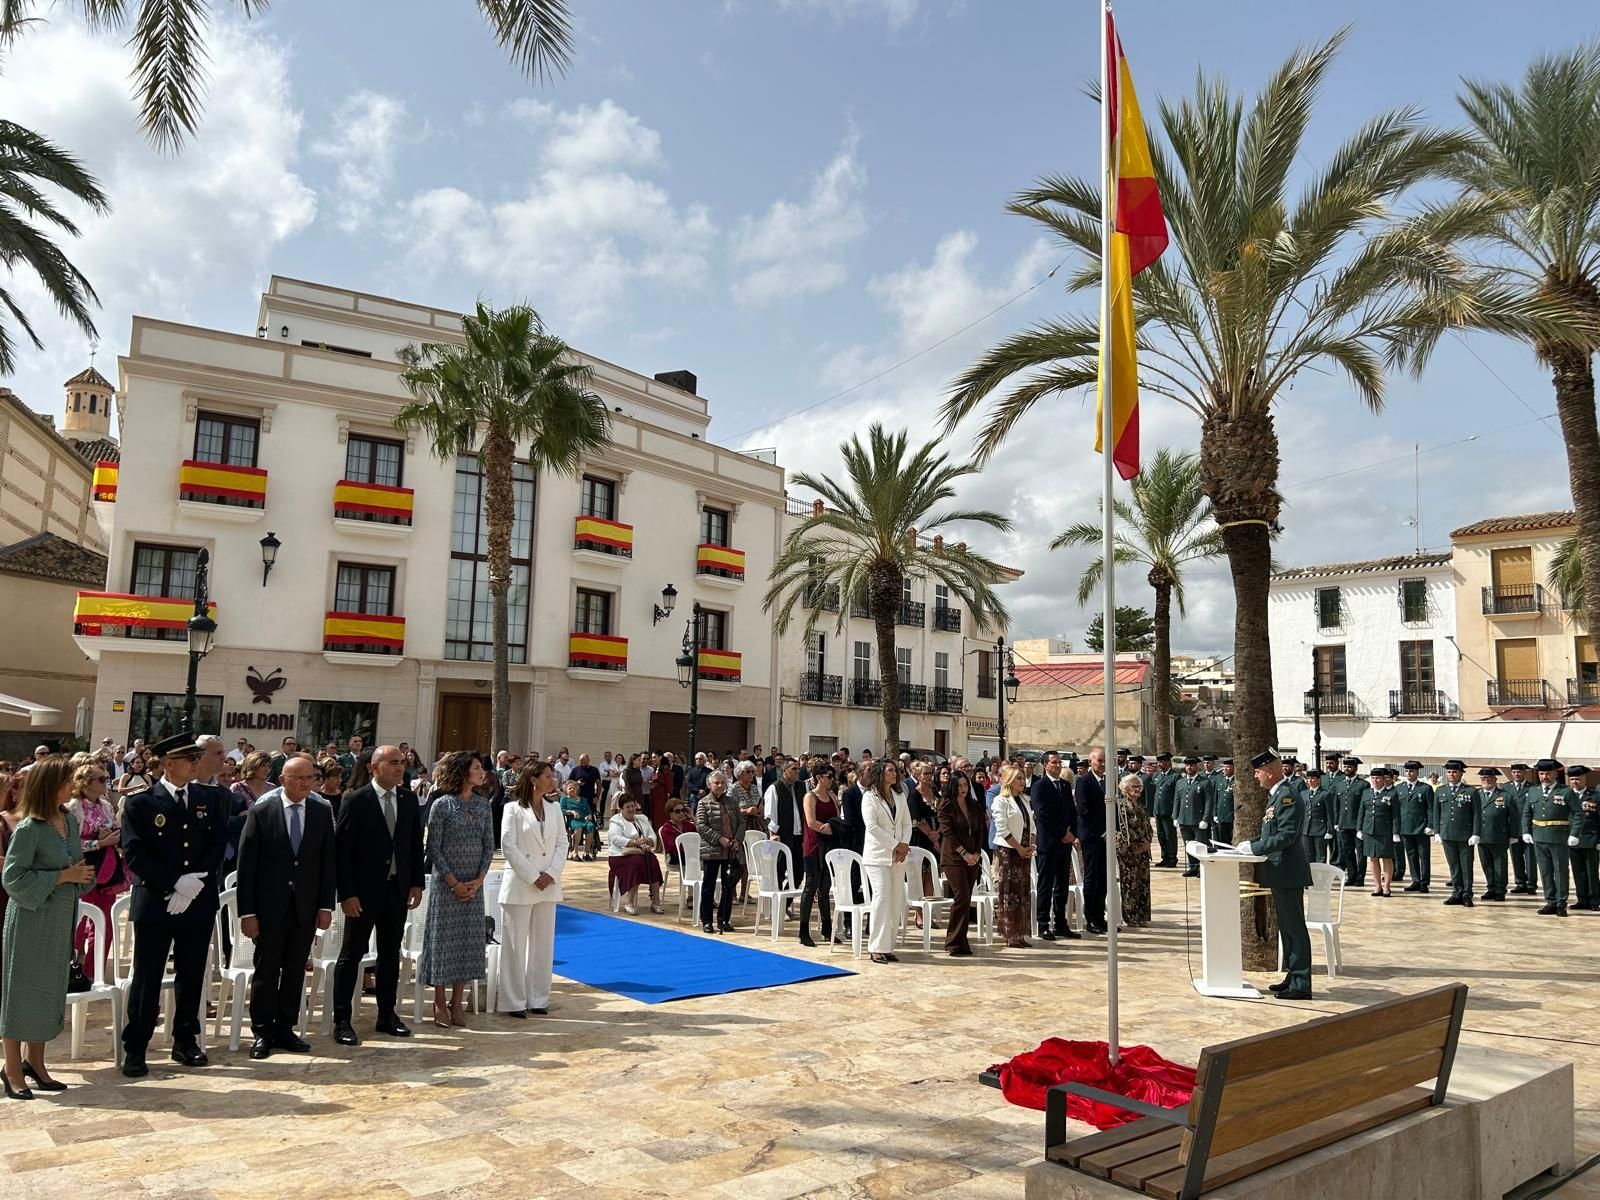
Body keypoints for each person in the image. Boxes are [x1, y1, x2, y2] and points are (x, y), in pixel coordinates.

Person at [118, 733, 229, 1078]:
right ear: (169, 763)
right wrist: (173, 883)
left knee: (192, 972)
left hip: (197, 899)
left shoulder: (210, 798)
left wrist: (193, 884)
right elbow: (134, 852)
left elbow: (216, 843)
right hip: (155, 900)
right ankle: (136, 1047)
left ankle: (185, 1039)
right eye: (190, 759)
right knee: (147, 975)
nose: (196, 764)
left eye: (197, 758)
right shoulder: (140, 803)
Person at [1, 757, 93, 1098]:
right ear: (51, 786)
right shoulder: (29, 828)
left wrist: (81, 875)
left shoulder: (68, 821)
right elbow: (12, 878)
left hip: (59, 919)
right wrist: (62, 876)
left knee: (46, 992)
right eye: (67, 781)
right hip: (30, 920)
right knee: (19, 993)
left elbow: (75, 864)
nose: (73, 787)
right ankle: (12, 1068)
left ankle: (36, 1063)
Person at [235, 755, 337, 1059]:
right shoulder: (262, 812)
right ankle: (262, 1031)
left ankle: (286, 1027)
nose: (306, 784)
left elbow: (327, 863)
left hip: (305, 907)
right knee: (267, 970)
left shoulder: (320, 811)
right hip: (269, 908)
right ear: (282, 780)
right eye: (299, 778)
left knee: (295, 969)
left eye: (311, 778)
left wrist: (325, 905)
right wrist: (248, 913)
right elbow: (247, 866)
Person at [332, 745, 424, 1046]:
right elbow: (343, 851)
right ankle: (342, 1020)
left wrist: (415, 883)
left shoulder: (408, 799)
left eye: (401, 763)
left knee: (389, 953)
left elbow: (414, 845)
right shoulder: (356, 800)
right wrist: (347, 893)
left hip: (396, 889)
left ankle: (387, 1014)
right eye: (392, 763)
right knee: (352, 954)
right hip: (363, 892)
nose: (399, 768)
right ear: (374, 768)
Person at [419, 751, 495, 1027]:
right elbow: (433, 848)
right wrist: (453, 882)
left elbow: (489, 845)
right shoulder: (442, 805)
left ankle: (457, 1000)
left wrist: (479, 879)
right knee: (443, 942)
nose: (482, 772)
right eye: (476, 768)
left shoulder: (483, 805)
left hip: (474, 885)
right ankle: (439, 1001)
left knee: (467, 942)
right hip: (446, 885)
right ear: (462, 772)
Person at [499, 762, 566, 1017]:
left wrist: (551, 874)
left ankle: (538, 998)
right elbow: (508, 846)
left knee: (543, 945)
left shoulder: (555, 808)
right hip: (520, 882)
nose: (553, 779)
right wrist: (532, 876)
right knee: (515, 945)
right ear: (533, 779)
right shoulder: (513, 809)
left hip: (548, 884)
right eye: (548, 776)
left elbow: (562, 843)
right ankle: (513, 1001)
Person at [1247, 749, 1313, 999]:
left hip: (1288, 871)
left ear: (1269, 771)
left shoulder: (1287, 797)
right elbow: (1271, 832)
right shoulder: (1277, 795)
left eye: (1258, 772)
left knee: (1294, 927)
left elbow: (1286, 836)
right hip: (1280, 871)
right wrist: (1251, 843)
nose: (1256, 777)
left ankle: (1301, 983)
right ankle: (1293, 976)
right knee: (1286, 927)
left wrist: (1255, 848)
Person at [68, 760, 125, 964]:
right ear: (86, 782)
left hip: (106, 871)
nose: (105, 782)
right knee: (79, 919)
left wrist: (112, 836)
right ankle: (74, 965)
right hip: (83, 871)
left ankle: (94, 970)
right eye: (101, 779)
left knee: (105, 922)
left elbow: (116, 830)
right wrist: (98, 842)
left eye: (106, 778)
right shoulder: (73, 808)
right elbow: (69, 844)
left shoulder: (106, 805)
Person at [860, 759, 912, 964]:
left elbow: (906, 824)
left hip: (898, 856)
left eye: (896, 771)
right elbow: (872, 827)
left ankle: (888, 946)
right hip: (878, 856)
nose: (895, 774)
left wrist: (903, 845)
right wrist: (895, 845)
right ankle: (876, 947)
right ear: (880, 773)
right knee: (881, 899)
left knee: (895, 900)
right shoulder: (869, 797)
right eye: (890, 770)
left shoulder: (900, 796)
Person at [1029, 751, 1081, 943]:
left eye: (1059, 762)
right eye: (1054, 762)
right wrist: (1062, 833)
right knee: (1046, 884)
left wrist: (1072, 832)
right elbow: (1043, 815)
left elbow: (1073, 812)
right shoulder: (1039, 786)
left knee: (1062, 885)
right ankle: (1043, 923)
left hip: (1065, 844)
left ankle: (1060, 923)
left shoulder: (1065, 786)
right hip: (1049, 843)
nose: (1058, 765)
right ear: (1045, 765)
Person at [938, 770, 984, 956]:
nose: (963, 789)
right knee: (961, 897)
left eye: (965, 785)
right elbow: (948, 832)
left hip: (972, 856)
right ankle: (953, 941)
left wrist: (977, 853)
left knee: (967, 899)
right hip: (953, 857)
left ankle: (962, 941)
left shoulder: (974, 805)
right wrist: (964, 853)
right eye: (959, 786)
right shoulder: (946, 806)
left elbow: (980, 830)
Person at [1523, 758, 1574, 916]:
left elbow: (1577, 814)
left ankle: (1561, 902)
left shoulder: (1566, 792)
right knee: (1545, 871)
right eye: (1541, 774)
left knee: (1560, 871)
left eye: (1547, 773)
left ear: (1555, 774)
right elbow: (1527, 813)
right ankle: (1550, 901)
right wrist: (1526, 831)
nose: (1544, 777)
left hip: (1558, 837)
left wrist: (1574, 834)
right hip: (1539, 837)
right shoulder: (1533, 791)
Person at [991, 764, 1035, 948]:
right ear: (1009, 780)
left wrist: (1031, 845)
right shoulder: (1001, 801)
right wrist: (1018, 848)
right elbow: (1002, 828)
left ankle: (1021, 932)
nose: (1022, 781)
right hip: (1009, 851)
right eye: (1018, 778)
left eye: (1023, 778)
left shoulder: (1024, 799)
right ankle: (1010, 934)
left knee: (1023, 892)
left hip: (1024, 852)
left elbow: (1032, 825)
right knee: (1010, 893)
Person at [797, 763, 839, 948]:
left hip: (829, 846)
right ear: (819, 778)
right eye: (828, 776)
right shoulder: (810, 796)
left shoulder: (832, 797)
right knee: (811, 886)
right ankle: (803, 931)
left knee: (825, 888)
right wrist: (826, 827)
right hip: (814, 847)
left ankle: (827, 928)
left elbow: (837, 817)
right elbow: (811, 821)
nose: (831, 780)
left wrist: (834, 827)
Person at [695, 771, 743, 934]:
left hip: (730, 850)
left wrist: (737, 839)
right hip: (712, 850)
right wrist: (719, 839)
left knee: (728, 886)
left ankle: (724, 919)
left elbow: (741, 822)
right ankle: (707, 920)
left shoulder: (731, 801)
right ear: (710, 785)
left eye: (722, 783)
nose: (720, 785)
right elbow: (701, 826)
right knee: (708, 886)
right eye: (716, 783)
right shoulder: (703, 803)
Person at [607, 795, 665, 915]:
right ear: (621, 808)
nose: (631, 809)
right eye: (628, 807)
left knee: (653, 861)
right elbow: (615, 838)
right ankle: (629, 902)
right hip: (620, 855)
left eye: (633, 806)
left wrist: (646, 840)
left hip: (641, 853)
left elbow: (652, 835)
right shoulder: (616, 820)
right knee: (636, 863)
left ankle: (656, 901)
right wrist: (634, 842)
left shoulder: (642, 819)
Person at [1434, 758, 1481, 908]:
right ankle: (1456, 892)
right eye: (1449, 772)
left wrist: (1476, 833)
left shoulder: (1471, 791)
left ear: (1461, 773)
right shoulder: (1440, 790)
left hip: (1465, 834)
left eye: (1454, 772)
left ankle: (1467, 894)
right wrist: (1437, 832)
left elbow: (1477, 814)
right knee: (1453, 865)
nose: (1451, 774)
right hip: (1447, 833)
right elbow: (1436, 813)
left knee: (1466, 865)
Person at [1074, 749, 1109, 935]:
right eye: (1099, 761)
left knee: (1104, 878)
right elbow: (1084, 810)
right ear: (1091, 762)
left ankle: (1100, 917)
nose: (1102, 764)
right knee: (1092, 878)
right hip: (1092, 836)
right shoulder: (1084, 782)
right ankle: (1091, 919)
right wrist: (1102, 831)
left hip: (1106, 837)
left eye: (1104, 761)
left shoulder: (1107, 781)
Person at [764, 757, 806, 912]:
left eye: (798, 769)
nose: (797, 772)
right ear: (784, 770)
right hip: (782, 837)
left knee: (798, 873)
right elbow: (769, 815)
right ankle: (776, 909)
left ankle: (784, 905)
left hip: (798, 836)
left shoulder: (801, 787)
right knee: (779, 873)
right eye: (793, 769)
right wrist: (774, 832)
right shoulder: (775, 788)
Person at [1114, 773, 1153, 928]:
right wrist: (1139, 843)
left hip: (1143, 851)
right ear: (1125, 788)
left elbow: (1148, 827)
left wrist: (1147, 842)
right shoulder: (1122, 806)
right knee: (1130, 883)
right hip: (1129, 851)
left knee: (1143, 883)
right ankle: (1130, 916)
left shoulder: (1141, 807)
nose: (1137, 789)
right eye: (1134, 786)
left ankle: (1142, 915)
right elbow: (1124, 827)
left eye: (1139, 787)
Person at [1476, 766, 1515, 903]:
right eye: (1483, 778)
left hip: (1499, 836)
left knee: (1500, 865)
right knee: (1486, 864)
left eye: (1489, 778)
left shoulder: (1505, 796)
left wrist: (1514, 835)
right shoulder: (1477, 795)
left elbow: (1513, 817)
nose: (1486, 780)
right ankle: (1491, 888)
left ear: (1495, 779)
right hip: (1481, 836)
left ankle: (1500, 890)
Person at [1359, 765, 1398, 898]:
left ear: (1383, 779)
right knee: (1373, 858)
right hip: (1369, 830)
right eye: (1373, 778)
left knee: (1387, 858)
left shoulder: (1391, 794)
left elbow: (1396, 814)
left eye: (1378, 778)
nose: (1375, 781)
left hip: (1385, 831)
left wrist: (1395, 832)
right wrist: (1359, 829)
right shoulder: (1366, 793)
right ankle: (1377, 886)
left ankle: (1386, 887)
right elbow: (1361, 812)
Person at [1397, 760, 1434, 892]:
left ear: (1417, 772)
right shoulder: (1399, 788)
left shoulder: (1425, 788)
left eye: (1411, 771)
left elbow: (1431, 808)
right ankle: (1416, 880)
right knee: (1411, 855)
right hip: (1405, 827)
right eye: (1407, 771)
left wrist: (1431, 825)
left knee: (1424, 856)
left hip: (1421, 828)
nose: (1409, 773)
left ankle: (1424, 882)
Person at [1336, 755, 1371, 888]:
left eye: (1349, 767)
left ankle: (1360, 877)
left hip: (1358, 824)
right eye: (1345, 766)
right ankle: (1351, 876)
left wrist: (1362, 825)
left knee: (1361, 853)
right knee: (1347, 852)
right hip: (1343, 824)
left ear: (1355, 768)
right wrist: (1336, 822)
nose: (1347, 769)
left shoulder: (1363, 785)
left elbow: (1365, 806)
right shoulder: (1339, 785)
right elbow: (1336, 805)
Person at [1568, 765, 1599, 911]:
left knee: (1591, 871)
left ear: (1584, 779)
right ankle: (1582, 899)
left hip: (1590, 839)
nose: (1575, 782)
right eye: (1572, 779)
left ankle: (1594, 900)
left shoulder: (1595, 796)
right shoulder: (1566, 796)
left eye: (1577, 779)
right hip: (1572, 839)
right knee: (1577, 871)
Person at [1173, 755, 1208, 877]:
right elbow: (1177, 800)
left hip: (1198, 820)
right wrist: (1175, 816)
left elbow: (1209, 801)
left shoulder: (1204, 782)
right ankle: (1193, 867)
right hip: (1184, 819)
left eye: (1192, 765)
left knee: (1200, 846)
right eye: (1187, 765)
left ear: (1196, 766)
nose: (1189, 767)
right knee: (1188, 845)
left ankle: (1201, 868)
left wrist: (1205, 819)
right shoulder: (1180, 782)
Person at [1504, 763, 1536, 895]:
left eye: (1519, 772)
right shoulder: (1506, 788)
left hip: (1529, 828)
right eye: (1514, 772)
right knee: (1516, 857)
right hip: (1513, 828)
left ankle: (1531, 884)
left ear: (1525, 773)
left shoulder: (1533, 788)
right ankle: (1520, 883)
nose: (1517, 774)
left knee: (1530, 858)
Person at [659, 800, 697, 866]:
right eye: (677, 811)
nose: (681, 813)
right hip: (675, 856)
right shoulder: (667, 828)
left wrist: (692, 817)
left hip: (689, 854)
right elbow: (674, 847)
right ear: (670, 813)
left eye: (683, 810)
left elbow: (700, 834)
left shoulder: (687, 824)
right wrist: (691, 845)